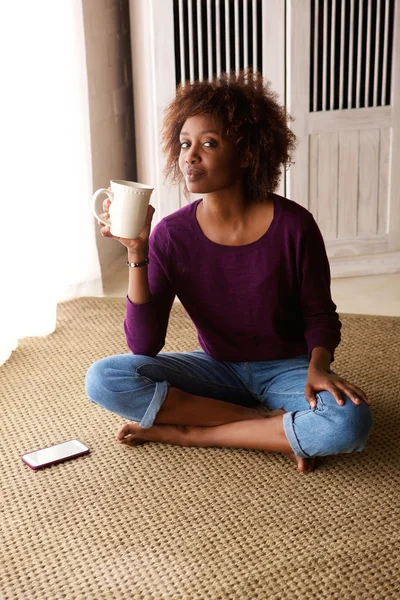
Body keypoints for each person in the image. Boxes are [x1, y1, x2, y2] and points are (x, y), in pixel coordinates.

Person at [85, 69, 373, 473]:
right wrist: (137, 251)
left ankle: (192, 432)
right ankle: (265, 426)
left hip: (287, 367)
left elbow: (319, 314)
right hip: (216, 367)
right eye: (185, 144)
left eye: (208, 143)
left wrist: (318, 368)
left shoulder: (294, 225)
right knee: (104, 378)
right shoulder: (171, 234)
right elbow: (144, 345)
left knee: (350, 422)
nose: (190, 155)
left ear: (247, 153)